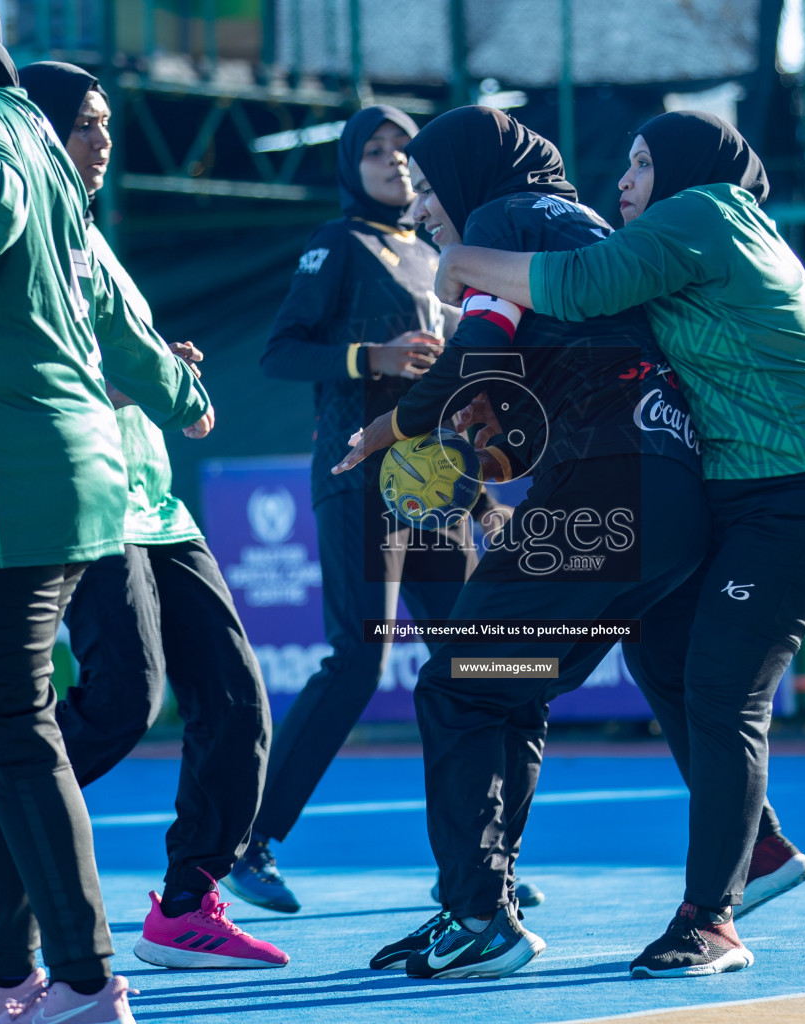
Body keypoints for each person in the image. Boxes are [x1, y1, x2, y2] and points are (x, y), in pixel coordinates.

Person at [435, 109, 805, 978]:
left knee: (721, 693)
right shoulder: (700, 232)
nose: (625, 183)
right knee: (663, 659)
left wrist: (459, 263)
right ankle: (761, 853)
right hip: (743, 493)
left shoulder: (706, 211)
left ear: (683, 170)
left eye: (641, 164)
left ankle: (711, 920)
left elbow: (579, 283)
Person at [0, 59, 286, 973]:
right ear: (34, 131)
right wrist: (129, 380)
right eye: (85, 124)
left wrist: (156, 370)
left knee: (238, 702)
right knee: (120, 700)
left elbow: (110, 345)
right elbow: (27, 361)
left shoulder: (91, 233)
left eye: (109, 123)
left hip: (156, 496)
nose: (102, 140)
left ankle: (187, 903)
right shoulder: (5, 224)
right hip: (87, 499)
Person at [0, 1, 211, 1020]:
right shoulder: (34, 128)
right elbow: (109, 298)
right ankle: (4, 970)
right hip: (64, 478)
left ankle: (85, 978)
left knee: (11, 733)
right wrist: (183, 396)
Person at [334, 106, 710, 980]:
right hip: (674, 495)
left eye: (430, 190)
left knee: (456, 687)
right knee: (506, 689)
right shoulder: (572, 221)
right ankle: (480, 904)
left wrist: (392, 429)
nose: (424, 210)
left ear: (469, 176)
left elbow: (476, 358)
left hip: (610, 489)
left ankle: (479, 913)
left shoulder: (504, 220)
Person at [237, 104, 540, 916]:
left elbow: (458, 390)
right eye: (373, 150)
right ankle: (249, 841)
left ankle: (488, 859)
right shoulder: (337, 245)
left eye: (403, 149)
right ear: (348, 165)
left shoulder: (441, 252)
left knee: (478, 657)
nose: (393, 162)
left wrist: (480, 497)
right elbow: (278, 351)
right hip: (359, 471)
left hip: (441, 482)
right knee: (359, 659)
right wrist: (368, 356)